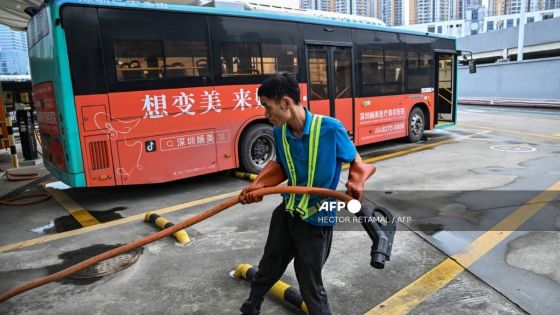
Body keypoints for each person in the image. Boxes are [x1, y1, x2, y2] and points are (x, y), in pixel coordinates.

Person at [239, 72, 375, 315]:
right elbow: (280, 166)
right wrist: (258, 185)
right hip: (288, 212)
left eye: (268, 107)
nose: (266, 114)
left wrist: (357, 182)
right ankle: (251, 308)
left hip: (316, 218)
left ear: (286, 103)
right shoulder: (280, 132)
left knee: (309, 283)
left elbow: (357, 162)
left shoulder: (331, 128)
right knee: (267, 268)